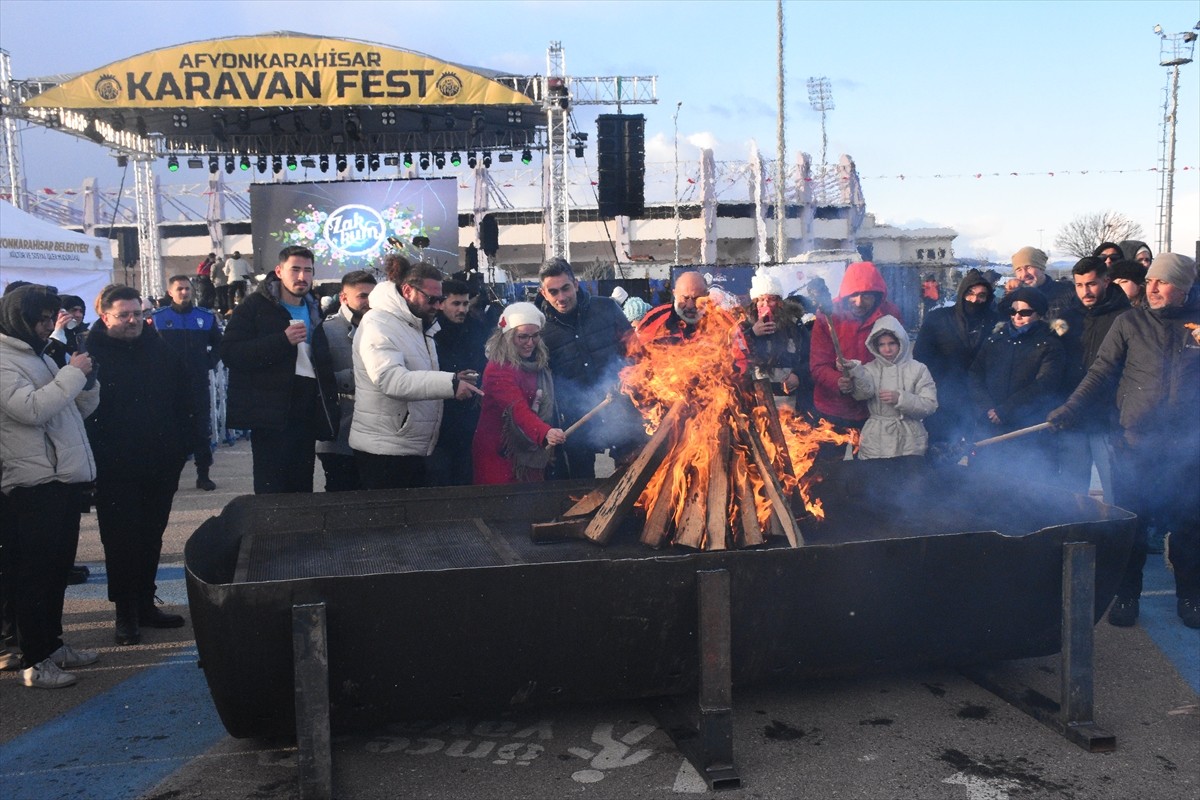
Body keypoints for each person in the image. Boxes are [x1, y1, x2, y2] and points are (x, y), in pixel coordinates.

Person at [1048, 253, 1199, 629]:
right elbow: (1100, 372)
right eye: (1150, 281)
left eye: (1162, 282)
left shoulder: (1196, 326)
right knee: (1132, 525)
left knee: (1189, 527)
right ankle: (1126, 594)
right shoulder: (1129, 322)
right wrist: (1071, 407)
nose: (1153, 288)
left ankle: (1190, 597)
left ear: (1183, 287)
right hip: (1135, 444)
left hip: (1186, 447)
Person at [0, 284, 100, 688]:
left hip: (60, 478)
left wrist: (86, 380)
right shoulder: (6, 359)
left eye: (50, 320)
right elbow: (31, 409)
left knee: (57, 570)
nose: (47, 327)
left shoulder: (38, 355)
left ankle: (53, 644)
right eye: (41, 320)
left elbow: (76, 408)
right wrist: (73, 373)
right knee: (35, 575)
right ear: (18, 319)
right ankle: (35, 659)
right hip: (31, 483)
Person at [85, 285, 192, 645]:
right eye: (123, 315)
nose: (133, 321)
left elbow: (185, 397)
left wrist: (184, 446)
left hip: (160, 462)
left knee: (151, 535)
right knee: (120, 540)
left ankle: (146, 602)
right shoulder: (90, 354)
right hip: (113, 465)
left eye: (137, 313)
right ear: (105, 316)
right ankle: (125, 612)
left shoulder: (158, 347)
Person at [350, 261, 482, 490]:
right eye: (431, 300)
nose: (437, 306)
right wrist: (450, 383)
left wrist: (454, 379)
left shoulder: (416, 323)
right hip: (385, 449)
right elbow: (392, 380)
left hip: (407, 444)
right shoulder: (378, 323)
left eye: (440, 300)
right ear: (408, 291)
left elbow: (418, 374)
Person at [220, 245, 340, 494]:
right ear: (279, 271)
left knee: (302, 483)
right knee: (271, 487)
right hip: (270, 411)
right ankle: (270, 535)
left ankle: (298, 534)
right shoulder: (254, 306)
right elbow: (231, 353)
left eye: (308, 270)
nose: (302, 277)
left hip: (306, 407)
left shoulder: (313, 307)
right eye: (294, 269)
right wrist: (281, 340)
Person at [535, 258, 635, 479]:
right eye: (553, 292)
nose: (561, 297)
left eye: (565, 288)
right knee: (582, 485)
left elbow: (634, 349)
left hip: (622, 408)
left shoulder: (607, 308)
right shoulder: (541, 330)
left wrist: (629, 373)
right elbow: (542, 382)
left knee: (634, 472)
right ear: (544, 293)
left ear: (576, 283)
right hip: (577, 419)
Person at [1053, 256, 1130, 500]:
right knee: (1072, 485)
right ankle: (1073, 530)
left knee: (1113, 485)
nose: (1085, 291)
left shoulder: (1127, 318)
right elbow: (1050, 354)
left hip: (1107, 416)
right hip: (1072, 414)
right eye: (1079, 285)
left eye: (1091, 284)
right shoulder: (1066, 317)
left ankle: (1114, 533)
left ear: (1106, 281)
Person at [967, 286, 1065, 476]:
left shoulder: (1050, 345)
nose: (1017, 316)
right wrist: (986, 408)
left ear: (1038, 314)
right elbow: (975, 374)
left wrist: (1006, 409)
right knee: (982, 483)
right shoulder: (995, 340)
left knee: (1022, 487)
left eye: (1025, 312)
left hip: (1026, 429)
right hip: (989, 425)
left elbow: (1044, 384)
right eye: (1013, 311)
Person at [472, 303, 567, 484]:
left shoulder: (539, 363)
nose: (530, 343)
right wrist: (545, 432)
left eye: (535, 336)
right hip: (501, 453)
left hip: (531, 447)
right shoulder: (497, 368)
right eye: (522, 337)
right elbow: (517, 410)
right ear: (508, 337)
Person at [809, 261, 903, 439]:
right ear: (845, 295)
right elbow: (818, 365)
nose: (859, 303)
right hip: (832, 409)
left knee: (871, 465)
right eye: (854, 295)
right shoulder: (827, 316)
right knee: (828, 466)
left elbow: (899, 359)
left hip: (874, 410)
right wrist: (837, 381)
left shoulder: (890, 315)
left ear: (877, 296)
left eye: (866, 296)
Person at [913, 269, 1000, 449]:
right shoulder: (939, 318)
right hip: (944, 396)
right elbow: (922, 356)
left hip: (981, 399)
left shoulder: (995, 322)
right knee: (941, 448)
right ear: (962, 294)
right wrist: (934, 386)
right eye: (970, 294)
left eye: (981, 296)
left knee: (976, 450)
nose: (975, 300)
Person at [151, 275, 223, 491]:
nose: (184, 293)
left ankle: (203, 475)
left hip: (197, 383)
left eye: (187, 289)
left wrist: (208, 362)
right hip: (168, 386)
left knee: (201, 430)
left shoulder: (205, 318)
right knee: (168, 432)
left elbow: (220, 344)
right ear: (170, 292)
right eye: (179, 289)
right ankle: (168, 477)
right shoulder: (157, 319)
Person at [311, 270, 376, 492]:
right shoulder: (326, 331)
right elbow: (319, 378)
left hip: (375, 434)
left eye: (372, 296)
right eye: (362, 296)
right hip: (339, 435)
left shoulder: (382, 328)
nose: (369, 302)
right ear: (343, 298)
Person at [844, 315, 937, 461]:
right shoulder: (868, 369)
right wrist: (855, 371)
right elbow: (862, 394)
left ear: (901, 342)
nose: (887, 349)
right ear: (875, 346)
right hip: (876, 440)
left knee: (909, 482)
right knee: (875, 482)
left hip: (910, 440)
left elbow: (930, 405)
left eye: (892, 343)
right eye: (881, 344)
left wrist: (901, 399)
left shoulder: (918, 369)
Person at [429, 278, 489, 486]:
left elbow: (484, 361)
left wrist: (478, 376)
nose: (462, 309)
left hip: (469, 413)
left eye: (465, 304)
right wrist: (452, 377)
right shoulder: (431, 331)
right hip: (440, 416)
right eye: (456, 304)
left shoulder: (476, 327)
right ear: (442, 303)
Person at [739, 272, 814, 414]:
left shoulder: (794, 325)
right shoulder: (745, 325)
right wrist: (752, 335)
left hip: (789, 403)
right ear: (755, 302)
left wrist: (798, 375)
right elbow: (733, 357)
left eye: (771, 299)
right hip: (756, 401)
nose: (766, 304)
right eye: (761, 300)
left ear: (779, 302)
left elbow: (810, 358)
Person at [635, 271, 709, 346]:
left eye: (696, 298)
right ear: (674, 294)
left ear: (707, 296)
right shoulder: (654, 318)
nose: (690, 305)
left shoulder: (718, 321)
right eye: (685, 298)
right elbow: (633, 350)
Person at [1011, 246, 1075, 320]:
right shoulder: (1013, 298)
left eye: (1029, 267)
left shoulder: (1066, 292)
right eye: (1019, 270)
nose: (1024, 274)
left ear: (1041, 268)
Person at [210, 250, 230, 315]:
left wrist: (212, 279)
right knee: (225, 296)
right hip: (225, 283)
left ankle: (221, 310)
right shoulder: (225, 264)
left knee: (219, 297)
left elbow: (213, 273)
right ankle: (226, 309)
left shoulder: (214, 265)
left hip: (217, 283)